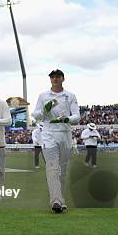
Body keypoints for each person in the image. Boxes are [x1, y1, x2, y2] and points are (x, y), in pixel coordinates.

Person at [32, 69, 80, 213]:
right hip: (48, 134)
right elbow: (36, 116)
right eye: (52, 77)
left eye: (57, 76)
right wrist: (45, 111)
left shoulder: (70, 96)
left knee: (62, 170)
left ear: (63, 79)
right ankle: (56, 201)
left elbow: (77, 117)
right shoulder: (43, 95)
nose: (55, 79)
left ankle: (61, 199)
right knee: (52, 167)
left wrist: (67, 119)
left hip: (65, 134)